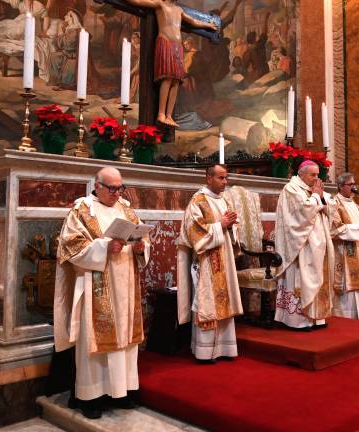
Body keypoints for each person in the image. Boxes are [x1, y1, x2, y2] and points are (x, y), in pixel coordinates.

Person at [54, 167, 150, 419]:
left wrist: (141, 247)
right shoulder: (82, 210)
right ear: (97, 186)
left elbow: (142, 237)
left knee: (125, 341)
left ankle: (122, 392)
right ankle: (91, 397)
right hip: (97, 285)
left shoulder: (126, 209)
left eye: (120, 188)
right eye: (112, 188)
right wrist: (104, 247)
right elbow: (70, 248)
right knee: (95, 343)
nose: (117, 193)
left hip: (126, 287)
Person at [177, 164, 243, 362]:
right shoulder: (198, 201)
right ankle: (205, 351)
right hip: (206, 261)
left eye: (226, 178)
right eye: (221, 178)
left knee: (224, 301)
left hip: (224, 258)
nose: (225, 182)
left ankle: (225, 348)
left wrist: (231, 227)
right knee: (207, 303)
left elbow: (230, 229)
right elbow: (193, 232)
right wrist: (220, 225)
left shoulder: (223, 201)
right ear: (208, 178)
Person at [122, 0, 219, 128]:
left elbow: (193, 21)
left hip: (177, 46)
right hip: (165, 42)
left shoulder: (179, 10)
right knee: (167, 78)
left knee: (177, 81)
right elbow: (139, 1)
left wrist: (208, 25)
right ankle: (161, 114)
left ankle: (169, 116)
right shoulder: (160, 4)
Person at [274, 160, 335, 330]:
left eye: (318, 175)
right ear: (301, 174)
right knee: (300, 278)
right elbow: (303, 212)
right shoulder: (291, 189)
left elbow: (331, 207)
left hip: (318, 242)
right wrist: (316, 196)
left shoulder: (314, 189)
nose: (316, 178)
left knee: (319, 276)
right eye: (312, 175)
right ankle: (298, 321)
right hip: (300, 245)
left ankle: (317, 317)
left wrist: (321, 197)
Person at [330, 173, 359, 319]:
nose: (354, 188)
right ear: (341, 186)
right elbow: (334, 229)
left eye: (355, 184)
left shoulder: (354, 203)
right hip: (345, 250)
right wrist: (357, 228)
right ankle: (347, 316)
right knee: (348, 283)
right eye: (350, 185)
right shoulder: (334, 203)